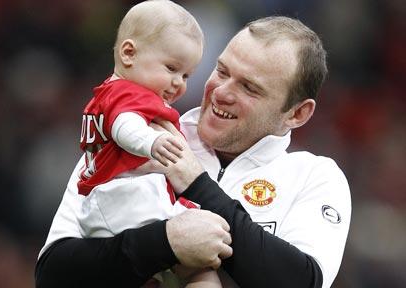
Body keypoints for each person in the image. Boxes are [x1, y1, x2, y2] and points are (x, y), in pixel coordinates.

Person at [35, 15, 351, 288]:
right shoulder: (139, 135)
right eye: (223, 71)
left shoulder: (314, 177)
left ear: (296, 113)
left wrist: (197, 184)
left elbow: (300, 281)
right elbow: (53, 274)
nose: (221, 92)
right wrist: (165, 242)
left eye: (249, 88)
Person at [40, 0, 221, 286]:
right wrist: (152, 142)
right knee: (198, 265)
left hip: (110, 205)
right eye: (171, 68)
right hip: (125, 201)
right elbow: (125, 126)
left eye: (186, 75)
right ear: (128, 53)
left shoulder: (112, 92)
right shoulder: (127, 94)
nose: (179, 83)